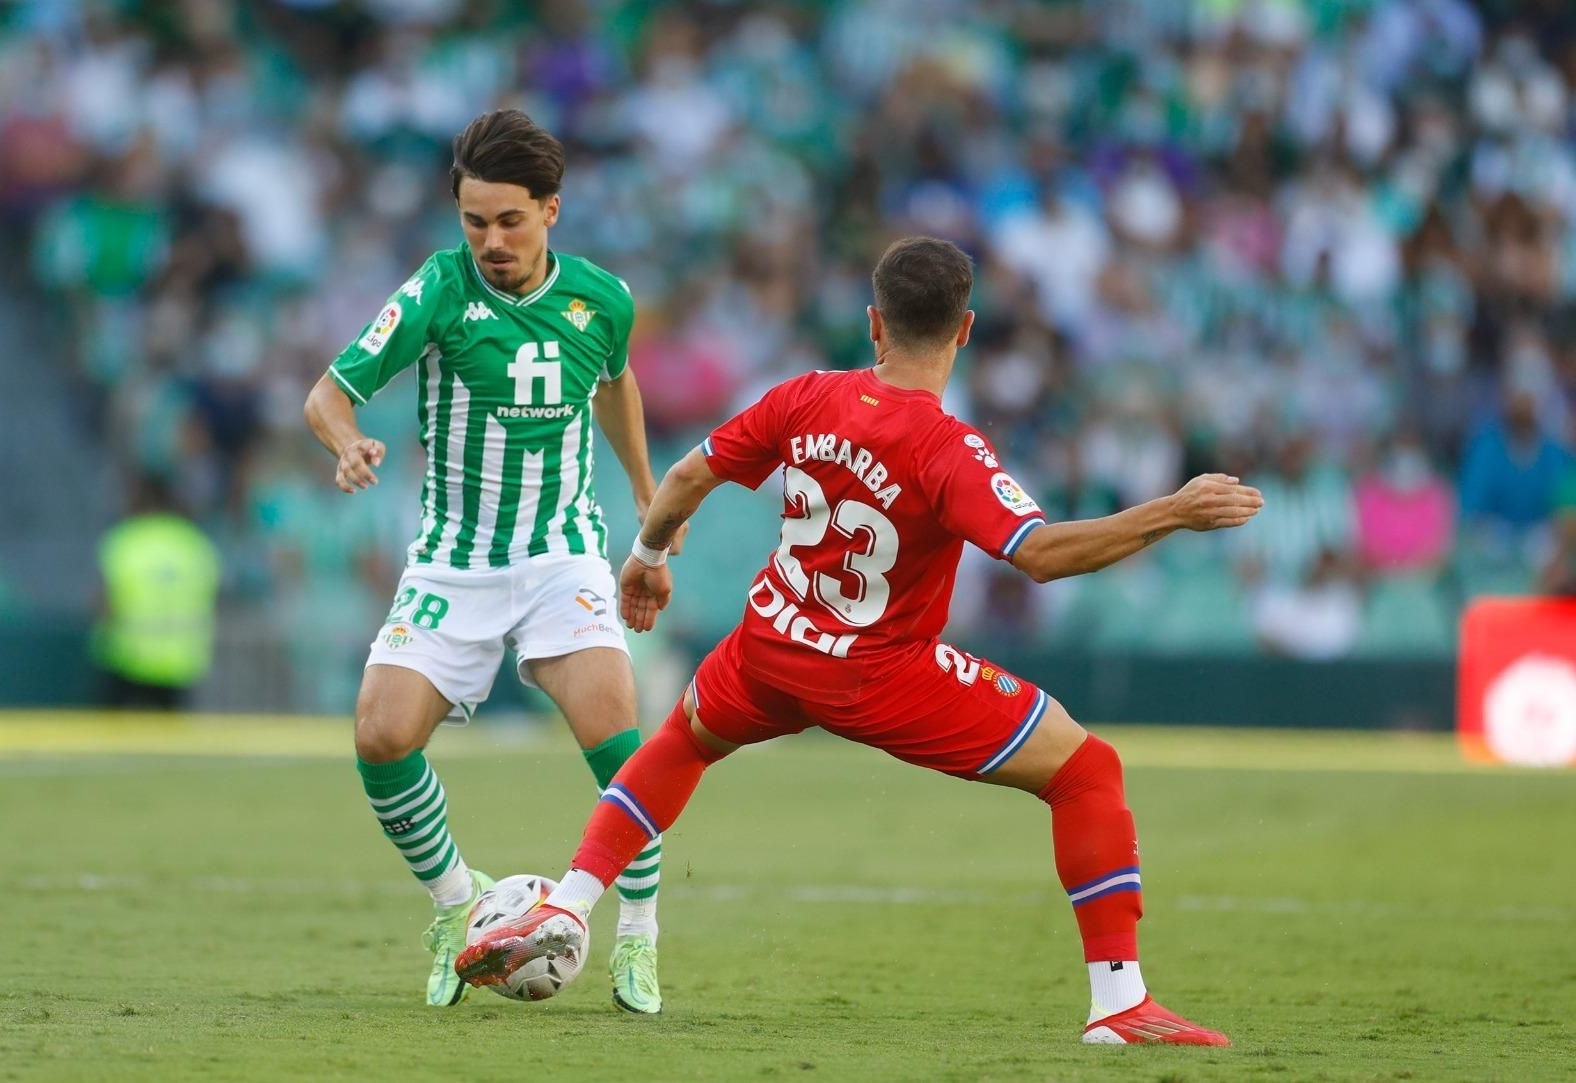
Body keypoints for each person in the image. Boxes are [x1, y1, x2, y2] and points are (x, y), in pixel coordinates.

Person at [455, 238, 1264, 1045]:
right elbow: (1041, 555)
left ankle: (570, 900)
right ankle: (1119, 1001)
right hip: (882, 672)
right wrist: (1173, 511)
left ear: (874, 323)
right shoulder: (947, 447)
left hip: (770, 645)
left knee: (681, 744)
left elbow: (687, 477)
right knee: (1087, 771)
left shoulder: (805, 396)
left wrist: (647, 556)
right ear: (965, 329)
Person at [303, 109, 679, 1012]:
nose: (492, 241)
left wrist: (645, 492)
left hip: (562, 554)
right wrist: (347, 444)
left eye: (510, 220)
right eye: (475, 222)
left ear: (551, 209)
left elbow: (616, 381)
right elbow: (327, 393)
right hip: (454, 561)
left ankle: (637, 934)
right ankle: (456, 905)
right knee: (379, 737)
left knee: (618, 741)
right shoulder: (437, 290)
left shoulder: (603, 300)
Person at [93, 475, 221, 710]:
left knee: (110, 730)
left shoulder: (126, 540)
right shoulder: (196, 544)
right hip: (180, 662)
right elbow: (212, 600)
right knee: (170, 732)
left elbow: (104, 604)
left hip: (127, 659)